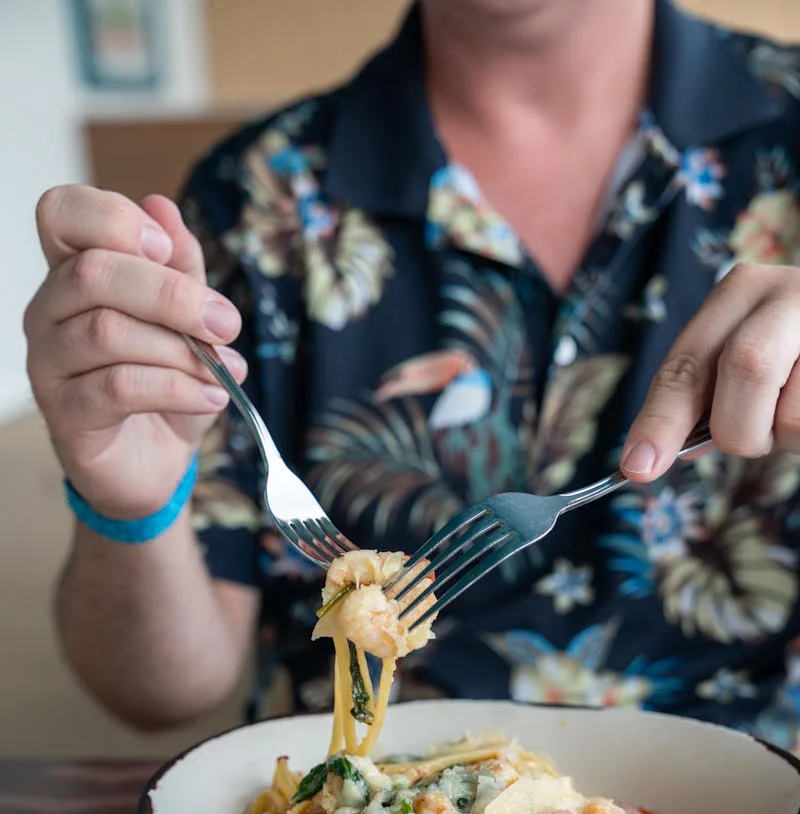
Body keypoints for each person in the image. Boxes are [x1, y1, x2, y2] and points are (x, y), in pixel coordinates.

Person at [23, 0, 800, 749]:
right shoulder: (256, 198)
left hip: (753, 805)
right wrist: (134, 506)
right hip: (353, 803)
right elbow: (158, 694)